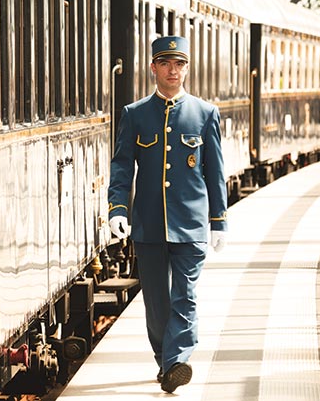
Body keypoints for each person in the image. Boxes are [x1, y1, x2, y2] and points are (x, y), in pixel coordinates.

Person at [107, 35, 228, 393]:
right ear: (153, 68)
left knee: (185, 296)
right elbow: (122, 167)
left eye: (179, 64)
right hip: (148, 225)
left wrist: (218, 220)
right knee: (157, 303)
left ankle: (177, 361)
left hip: (190, 226)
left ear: (187, 68)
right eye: (166, 63)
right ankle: (166, 360)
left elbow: (214, 172)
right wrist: (117, 208)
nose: (173, 71)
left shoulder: (205, 114)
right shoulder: (135, 114)